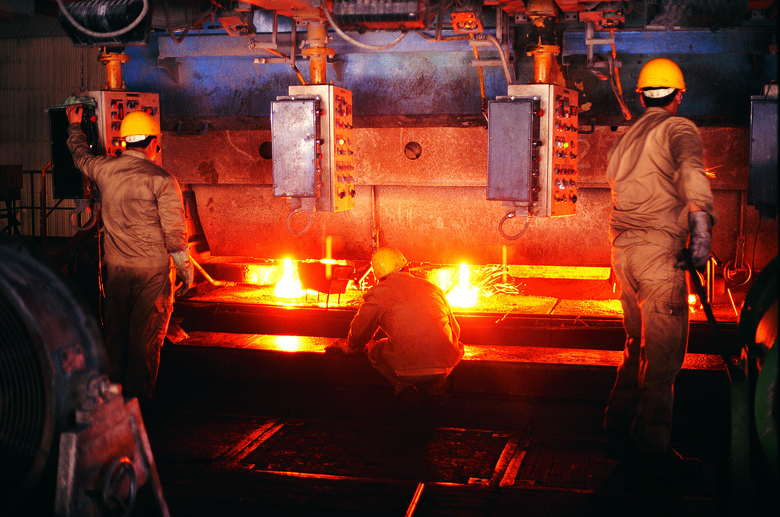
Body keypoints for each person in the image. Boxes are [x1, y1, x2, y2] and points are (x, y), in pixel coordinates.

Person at [603, 58, 716, 473]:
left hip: (623, 256)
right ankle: (653, 449)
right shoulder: (678, 128)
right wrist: (700, 226)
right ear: (679, 95)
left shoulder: (625, 138)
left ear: (641, 95)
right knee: (664, 357)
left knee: (637, 348)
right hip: (658, 256)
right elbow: (690, 169)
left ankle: (616, 428)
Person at [65, 104, 194, 401]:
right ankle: (139, 410)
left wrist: (74, 125)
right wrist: (185, 272)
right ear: (152, 143)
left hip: (117, 270)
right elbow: (175, 236)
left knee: (115, 339)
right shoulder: (162, 180)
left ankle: (111, 407)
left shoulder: (104, 169)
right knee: (145, 343)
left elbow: (79, 156)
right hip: (152, 273)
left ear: (125, 141)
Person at [327, 246, 464, 406]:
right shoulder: (433, 289)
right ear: (406, 267)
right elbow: (455, 330)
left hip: (407, 370)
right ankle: (435, 388)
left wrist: (351, 346)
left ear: (379, 276)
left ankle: (404, 388)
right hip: (446, 364)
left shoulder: (378, 293)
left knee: (374, 349)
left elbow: (360, 333)